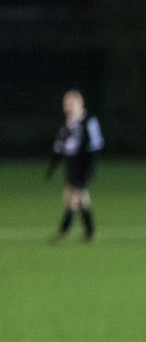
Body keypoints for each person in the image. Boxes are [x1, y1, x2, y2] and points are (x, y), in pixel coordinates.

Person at [47, 90, 104, 242]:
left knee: (71, 197)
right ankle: (90, 232)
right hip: (71, 164)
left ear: (80, 104)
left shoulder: (89, 120)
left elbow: (96, 144)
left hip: (84, 164)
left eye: (71, 102)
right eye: (66, 103)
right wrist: (52, 168)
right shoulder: (66, 124)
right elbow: (59, 148)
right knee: (81, 198)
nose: (67, 106)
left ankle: (63, 232)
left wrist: (91, 167)